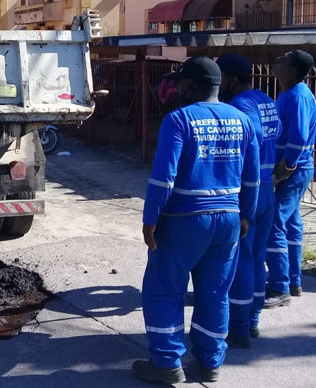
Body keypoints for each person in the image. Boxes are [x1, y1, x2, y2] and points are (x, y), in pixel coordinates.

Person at [132, 57, 259, 384]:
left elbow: (163, 178)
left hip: (183, 220)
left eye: (181, 83)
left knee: (164, 289)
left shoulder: (178, 120)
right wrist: (246, 215)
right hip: (228, 220)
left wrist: (150, 219)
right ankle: (209, 363)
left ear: (193, 85)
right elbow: (252, 179)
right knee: (215, 293)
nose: (177, 88)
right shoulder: (243, 121)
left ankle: (166, 363)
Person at [216, 53, 279, 346]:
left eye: (220, 77)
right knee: (255, 257)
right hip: (267, 188)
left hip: (249, 191)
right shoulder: (265, 99)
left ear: (229, 78)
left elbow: (248, 146)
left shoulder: (241, 106)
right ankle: (252, 320)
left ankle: (240, 328)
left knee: (241, 260)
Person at [265, 49, 316, 308]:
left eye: (283, 60)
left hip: (293, 169)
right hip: (296, 168)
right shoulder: (292, 93)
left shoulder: (297, 96)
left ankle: (279, 287)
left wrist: (286, 167)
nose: (276, 62)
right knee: (292, 221)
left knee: (274, 222)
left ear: (293, 69)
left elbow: (297, 137)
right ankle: (293, 281)